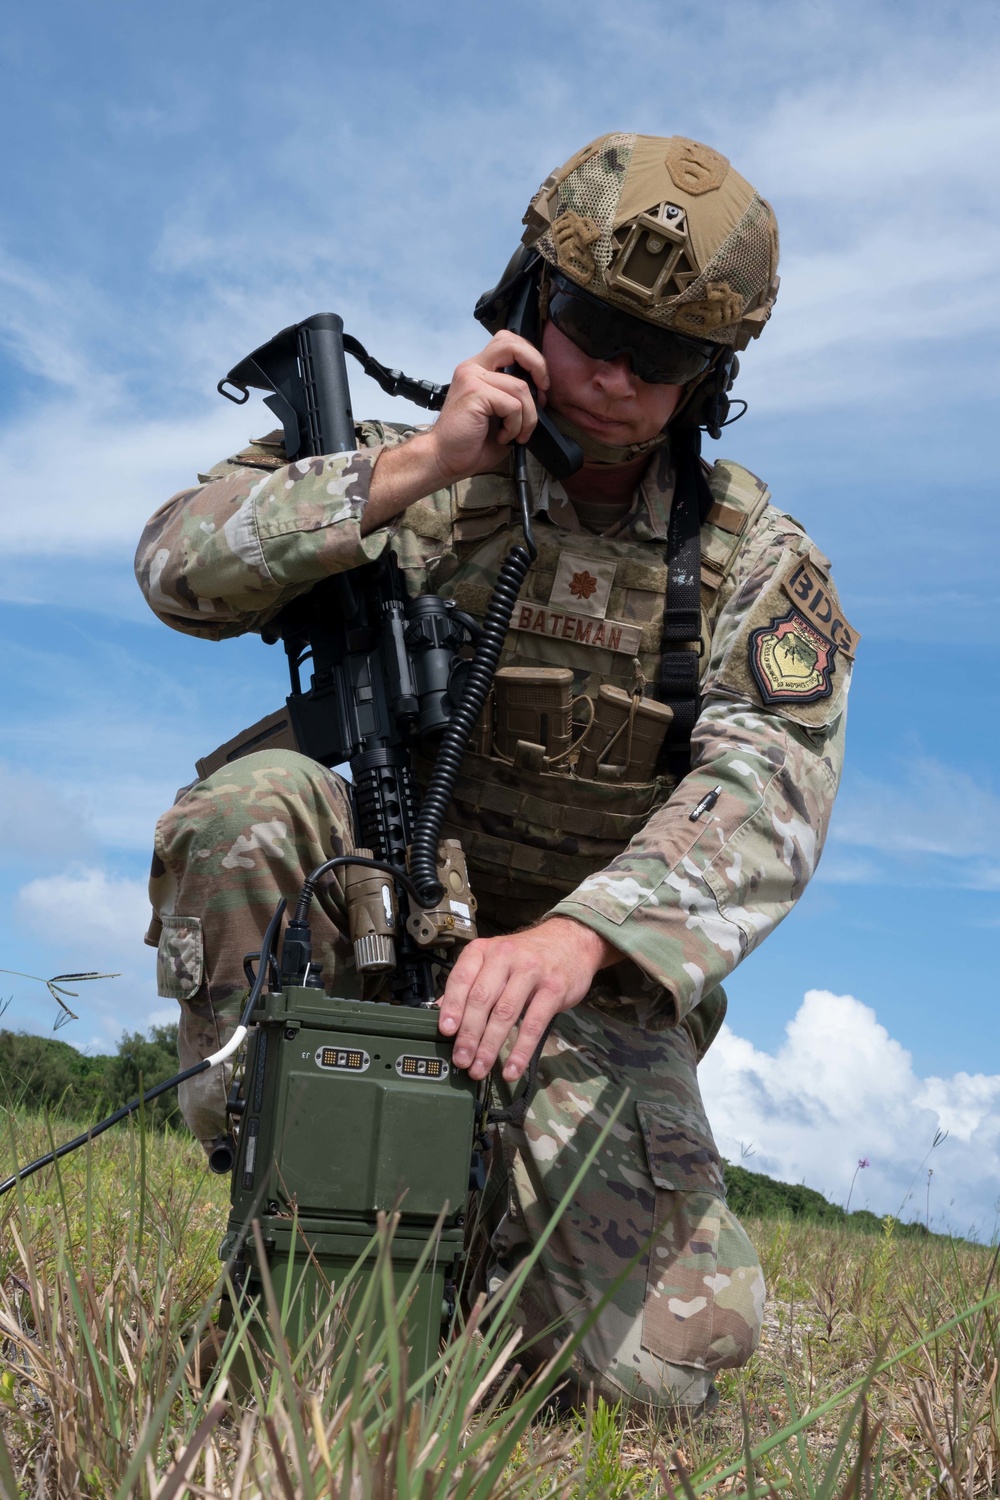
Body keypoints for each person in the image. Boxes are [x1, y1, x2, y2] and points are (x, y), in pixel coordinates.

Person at [136, 132, 856, 1414]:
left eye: (668, 356)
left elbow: (771, 793)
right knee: (245, 813)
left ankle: (473, 1285)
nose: (616, 378)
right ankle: (290, 1224)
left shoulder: (753, 557)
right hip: (374, 913)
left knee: (675, 1367)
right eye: (590, 324)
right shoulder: (403, 468)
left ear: (712, 377)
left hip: (577, 994)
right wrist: (414, 467)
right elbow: (176, 568)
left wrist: (574, 943)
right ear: (528, 296)